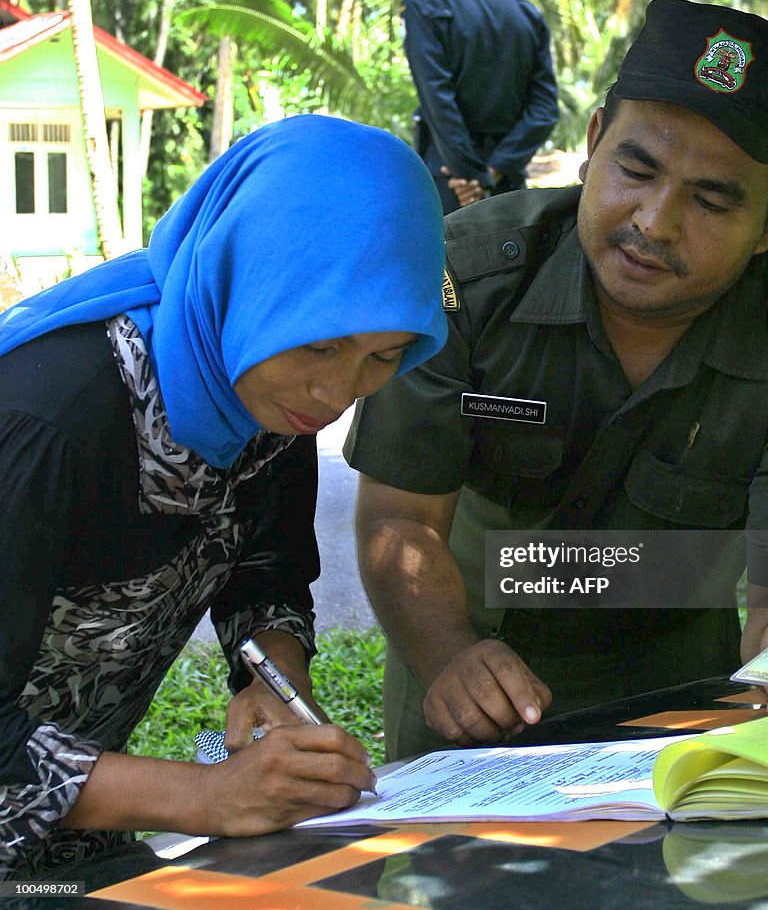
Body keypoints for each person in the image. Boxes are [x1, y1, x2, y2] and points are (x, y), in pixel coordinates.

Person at [346, 0, 768, 760]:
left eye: (711, 199)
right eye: (636, 169)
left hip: (677, 691)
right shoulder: (467, 279)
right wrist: (446, 658)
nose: (656, 222)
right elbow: (398, 521)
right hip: (464, 667)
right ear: (593, 142)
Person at [0, 115, 447, 879]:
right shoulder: (48, 423)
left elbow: (261, 569)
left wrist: (275, 685)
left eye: (383, 358)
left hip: (69, 840)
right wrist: (207, 795)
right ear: (244, 276)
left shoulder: (262, 387)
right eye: (320, 345)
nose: (335, 393)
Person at [398, 0, 559, 214]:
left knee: (447, 264)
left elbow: (438, 103)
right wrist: (494, 171)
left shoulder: (423, 6)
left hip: (451, 186)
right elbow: (544, 109)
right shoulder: (524, 11)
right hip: (507, 189)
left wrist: (470, 176)